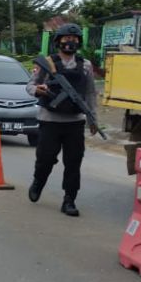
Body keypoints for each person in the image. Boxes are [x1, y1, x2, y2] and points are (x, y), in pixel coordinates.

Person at [26, 23, 97, 217]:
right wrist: (37, 90)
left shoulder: (86, 65)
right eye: (66, 39)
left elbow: (90, 93)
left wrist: (93, 118)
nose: (70, 43)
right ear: (58, 42)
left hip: (75, 121)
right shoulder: (47, 63)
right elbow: (30, 85)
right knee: (45, 159)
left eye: (74, 40)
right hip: (49, 120)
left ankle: (69, 200)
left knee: (74, 162)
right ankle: (38, 182)